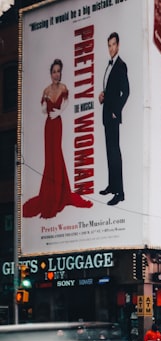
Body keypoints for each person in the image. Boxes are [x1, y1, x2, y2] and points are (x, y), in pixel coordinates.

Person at [22, 59, 93, 219]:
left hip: (57, 123)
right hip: (48, 125)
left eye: (58, 71)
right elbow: (42, 110)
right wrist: (46, 105)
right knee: (49, 157)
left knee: (57, 154)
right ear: (51, 73)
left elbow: (66, 102)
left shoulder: (63, 87)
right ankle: (50, 193)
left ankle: (60, 193)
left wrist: (59, 112)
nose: (56, 74)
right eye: (54, 71)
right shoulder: (46, 90)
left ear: (60, 72)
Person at [99, 32, 129, 206]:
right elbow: (111, 90)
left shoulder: (121, 65)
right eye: (109, 45)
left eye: (113, 45)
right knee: (109, 151)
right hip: (106, 114)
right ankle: (112, 185)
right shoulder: (109, 65)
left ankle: (120, 192)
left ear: (118, 45)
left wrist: (116, 111)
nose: (111, 48)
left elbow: (126, 91)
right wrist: (103, 96)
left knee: (115, 152)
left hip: (112, 116)